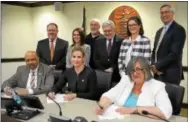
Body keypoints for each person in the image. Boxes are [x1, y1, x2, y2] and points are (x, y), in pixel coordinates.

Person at [95, 57, 172, 120]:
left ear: (146, 70)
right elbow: (109, 95)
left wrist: (136, 109)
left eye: (138, 69)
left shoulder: (157, 86)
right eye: (132, 70)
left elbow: (165, 112)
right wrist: (102, 106)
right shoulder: (126, 80)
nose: (134, 73)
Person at [151, 4, 186, 85]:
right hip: (157, 73)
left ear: (172, 14)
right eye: (162, 13)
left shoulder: (179, 29)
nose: (164, 15)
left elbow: (174, 54)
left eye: (166, 12)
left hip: (170, 75)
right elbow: (154, 51)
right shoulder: (159, 31)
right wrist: (153, 65)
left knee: (169, 97)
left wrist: (157, 66)